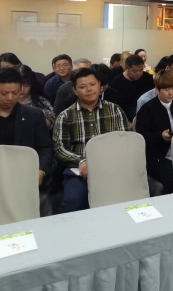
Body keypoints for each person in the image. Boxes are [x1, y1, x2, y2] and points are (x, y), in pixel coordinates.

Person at [54, 67, 129, 212]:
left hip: (112, 166)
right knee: (73, 201)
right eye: (82, 87)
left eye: (92, 84)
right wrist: (81, 161)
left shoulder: (115, 110)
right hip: (80, 170)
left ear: (100, 86)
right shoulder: (66, 116)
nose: (89, 89)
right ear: (75, 91)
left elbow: (123, 141)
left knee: (143, 191)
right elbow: (60, 148)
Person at [135, 70, 173, 194]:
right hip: (159, 155)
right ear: (157, 90)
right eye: (166, 90)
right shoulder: (147, 109)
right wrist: (160, 136)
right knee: (172, 179)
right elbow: (141, 136)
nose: (171, 93)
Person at [53, 63, 123, 115]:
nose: (101, 89)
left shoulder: (115, 97)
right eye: (92, 84)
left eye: (104, 87)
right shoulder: (70, 101)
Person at [108, 54, 154, 120]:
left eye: (141, 70)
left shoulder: (147, 78)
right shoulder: (117, 83)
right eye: (134, 71)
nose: (138, 73)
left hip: (147, 113)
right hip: (125, 116)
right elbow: (115, 107)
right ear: (127, 68)